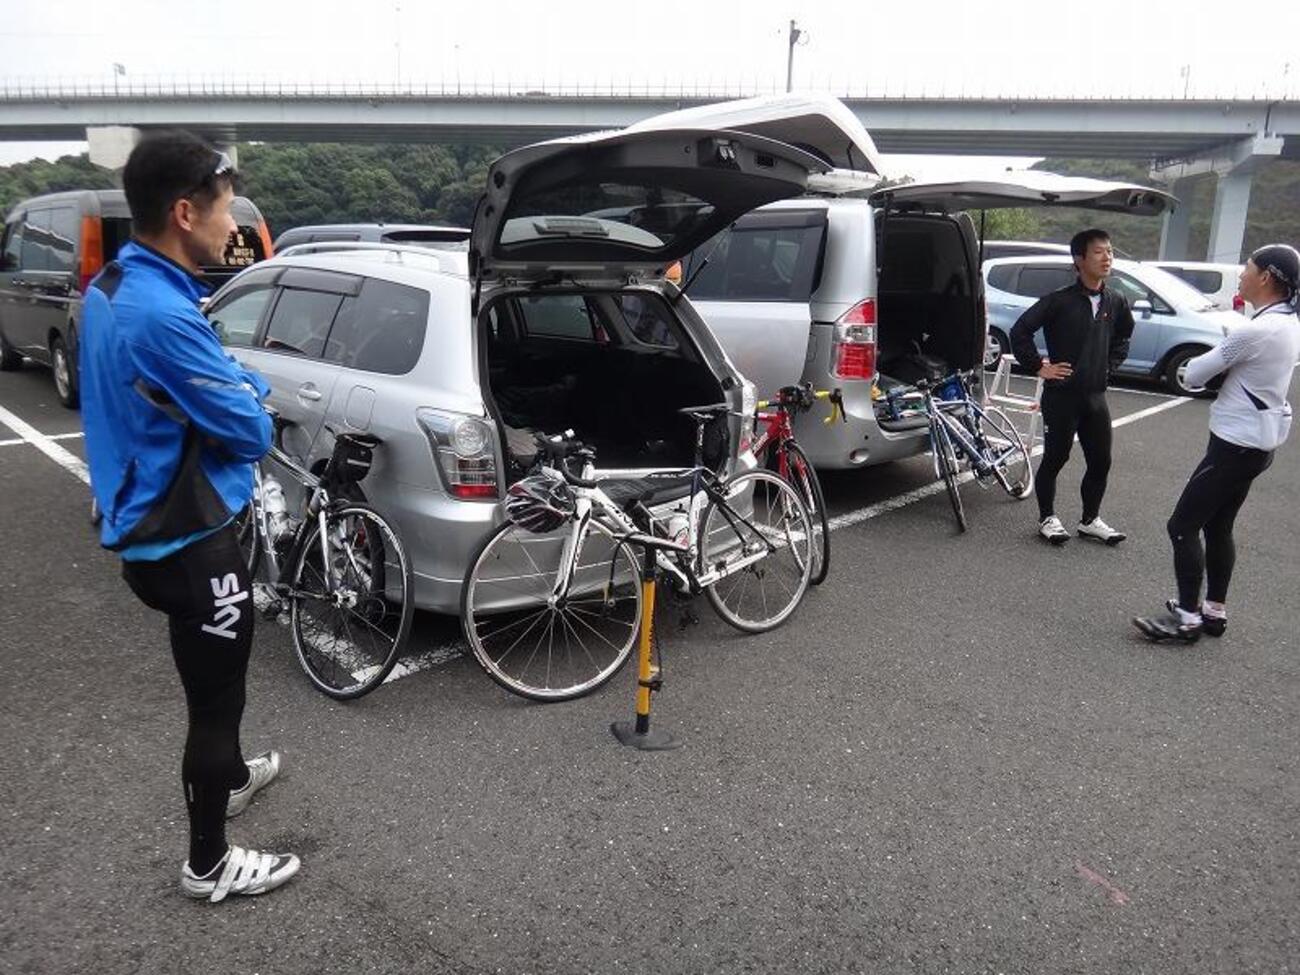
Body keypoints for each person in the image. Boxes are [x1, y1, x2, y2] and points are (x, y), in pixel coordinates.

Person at [79, 131, 300, 902]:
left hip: (142, 523)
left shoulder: (114, 287)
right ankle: (208, 860)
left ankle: (233, 775)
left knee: (211, 686)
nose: (231, 220)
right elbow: (252, 430)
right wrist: (240, 396)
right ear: (184, 212)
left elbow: (193, 380)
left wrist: (225, 379)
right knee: (217, 701)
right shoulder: (162, 315)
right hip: (188, 540)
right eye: (224, 206)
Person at [1134, 244, 1300, 643]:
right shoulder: (1286, 322)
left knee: (1181, 526)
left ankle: (1187, 618)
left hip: (1235, 444)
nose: (1242, 273)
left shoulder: (1256, 330)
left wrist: (1222, 356)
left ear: (1266, 277)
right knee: (1219, 525)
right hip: (1257, 443)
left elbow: (1194, 374)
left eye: (1248, 267)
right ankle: (1213, 610)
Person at [1011, 228, 1134, 546]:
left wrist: (1110, 366)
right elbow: (1020, 331)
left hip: (1095, 397)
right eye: (1099, 252)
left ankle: (1090, 520)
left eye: (1110, 251)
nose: (1107, 257)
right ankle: (1047, 518)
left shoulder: (1115, 300)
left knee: (1101, 461)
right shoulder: (1058, 301)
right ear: (1079, 259)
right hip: (1061, 396)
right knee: (1056, 457)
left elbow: (1123, 336)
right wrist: (1040, 367)